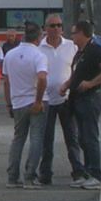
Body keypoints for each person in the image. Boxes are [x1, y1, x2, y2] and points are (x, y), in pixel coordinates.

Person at [60, 19, 101, 190]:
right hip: (77, 99)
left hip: (90, 98)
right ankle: (87, 173)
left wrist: (91, 83)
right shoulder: (80, 53)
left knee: (90, 137)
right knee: (82, 138)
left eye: (74, 32)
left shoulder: (95, 50)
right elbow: (76, 73)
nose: (72, 36)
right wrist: (67, 85)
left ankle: (96, 175)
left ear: (83, 33)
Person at [37, 15, 86, 187]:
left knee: (72, 137)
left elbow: (77, 69)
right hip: (46, 100)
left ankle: (77, 170)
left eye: (59, 25)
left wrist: (71, 86)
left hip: (66, 99)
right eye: (52, 25)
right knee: (46, 139)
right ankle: (45, 173)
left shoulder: (70, 46)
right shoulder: (39, 48)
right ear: (46, 28)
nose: (56, 28)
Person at [2, 21, 48, 189]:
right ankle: (30, 176)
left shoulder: (10, 55)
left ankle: (12, 177)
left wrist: (8, 104)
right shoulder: (39, 55)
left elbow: (6, 82)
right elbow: (42, 77)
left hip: (18, 102)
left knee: (18, 138)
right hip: (35, 101)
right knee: (36, 139)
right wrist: (38, 100)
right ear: (38, 37)